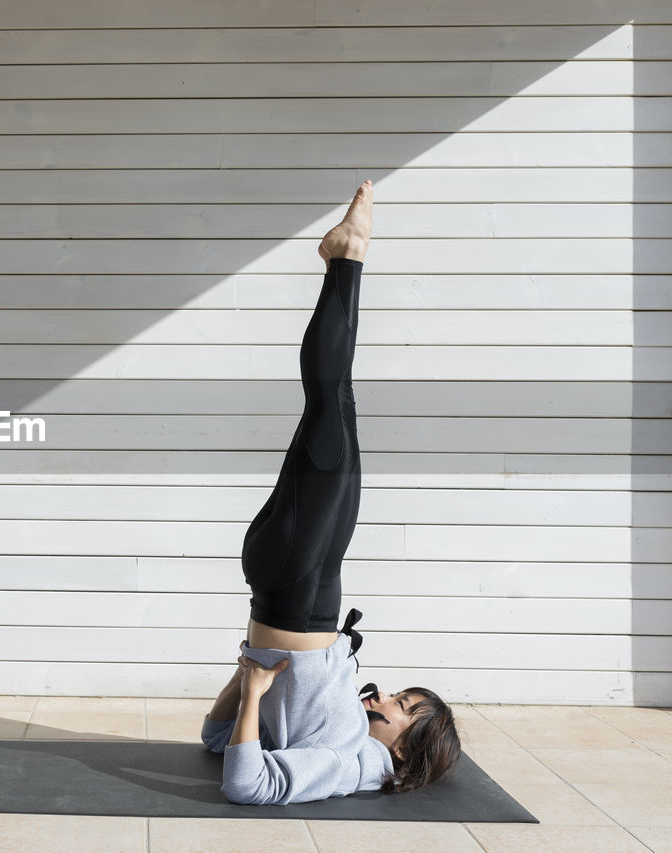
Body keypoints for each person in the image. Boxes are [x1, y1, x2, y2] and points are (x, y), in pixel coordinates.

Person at [200, 180, 462, 805]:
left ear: (405, 747)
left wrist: (252, 685)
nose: (386, 698)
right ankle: (346, 257)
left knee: (328, 403)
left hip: (289, 586)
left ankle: (347, 258)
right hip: (311, 590)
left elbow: (243, 783)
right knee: (338, 402)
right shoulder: (353, 735)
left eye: (402, 708)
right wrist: (250, 683)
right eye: (401, 696)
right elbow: (215, 739)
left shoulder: (352, 765)